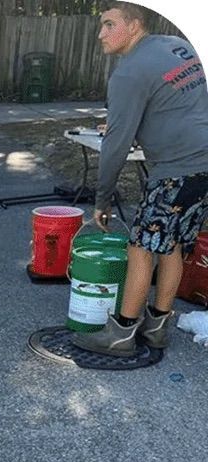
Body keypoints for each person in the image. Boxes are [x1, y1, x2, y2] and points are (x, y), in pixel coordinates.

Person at [77, 3, 208, 355]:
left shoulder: (129, 72)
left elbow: (115, 146)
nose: (101, 34)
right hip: (203, 166)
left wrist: (102, 199)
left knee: (141, 248)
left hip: (175, 170)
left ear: (134, 25)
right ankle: (157, 328)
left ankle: (121, 334)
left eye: (109, 24)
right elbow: (179, 104)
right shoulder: (178, 46)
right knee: (173, 244)